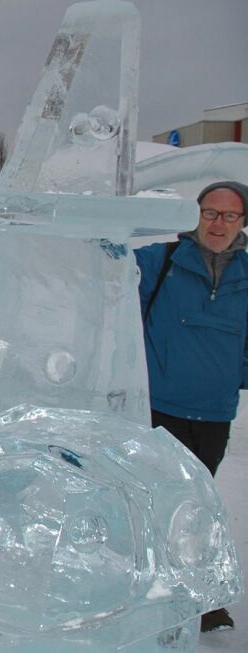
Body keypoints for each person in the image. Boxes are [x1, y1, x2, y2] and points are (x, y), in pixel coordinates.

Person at [135, 180, 248, 633]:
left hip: (214, 414)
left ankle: (194, 599)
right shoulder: (159, 261)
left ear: (242, 222)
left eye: (230, 215)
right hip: (159, 408)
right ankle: (147, 599)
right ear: (194, 214)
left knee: (195, 511)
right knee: (152, 506)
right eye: (210, 212)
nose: (218, 223)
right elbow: (102, 269)